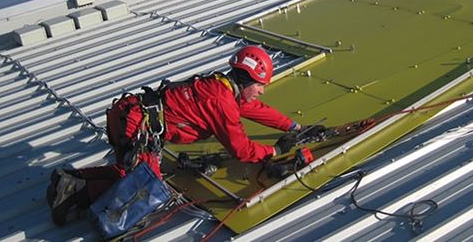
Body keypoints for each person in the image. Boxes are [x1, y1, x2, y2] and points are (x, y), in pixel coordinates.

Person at [46, 45, 307, 225]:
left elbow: (254, 109)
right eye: (261, 85)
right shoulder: (220, 100)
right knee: (147, 188)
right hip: (138, 124)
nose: (262, 91)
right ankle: (75, 194)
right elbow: (241, 150)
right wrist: (276, 151)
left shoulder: (222, 87)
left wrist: (293, 127)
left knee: (130, 174)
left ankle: (70, 178)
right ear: (247, 80)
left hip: (130, 114)